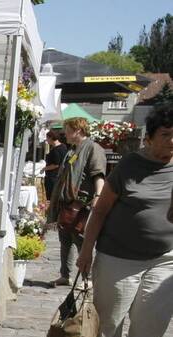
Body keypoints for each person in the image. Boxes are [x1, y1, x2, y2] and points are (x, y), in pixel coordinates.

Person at [77, 104, 173, 337]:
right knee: (110, 316)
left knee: (152, 318)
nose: (172, 141)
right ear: (150, 138)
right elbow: (101, 210)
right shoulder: (129, 166)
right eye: (166, 135)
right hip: (118, 255)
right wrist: (86, 250)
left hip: (165, 257)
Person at [49, 117, 107, 286]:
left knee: (81, 241)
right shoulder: (72, 150)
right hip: (66, 203)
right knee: (65, 240)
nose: (64, 133)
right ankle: (65, 275)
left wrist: (97, 197)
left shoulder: (93, 148)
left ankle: (86, 278)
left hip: (81, 203)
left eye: (67, 130)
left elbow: (98, 175)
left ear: (78, 130)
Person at [43, 129, 68, 202]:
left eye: (47, 138)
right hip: (59, 174)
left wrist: (44, 168)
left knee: (51, 195)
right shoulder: (63, 146)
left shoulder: (56, 150)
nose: (46, 140)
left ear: (51, 138)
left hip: (53, 176)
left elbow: (56, 164)